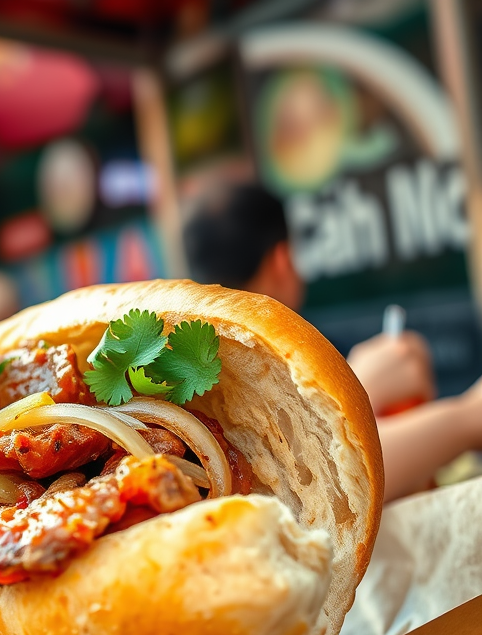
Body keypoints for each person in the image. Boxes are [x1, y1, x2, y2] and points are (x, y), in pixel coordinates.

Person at [183, 182, 482, 501]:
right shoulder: (298, 356)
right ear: (283, 260)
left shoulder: (189, 381)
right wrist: (354, 395)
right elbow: (320, 491)